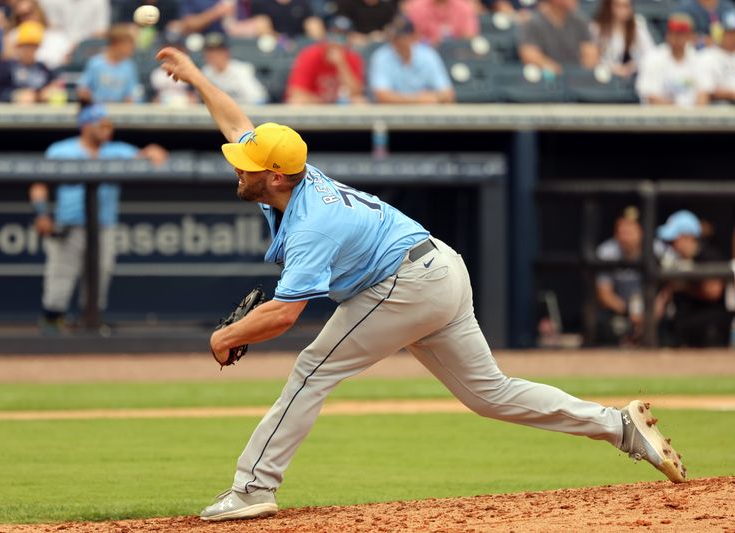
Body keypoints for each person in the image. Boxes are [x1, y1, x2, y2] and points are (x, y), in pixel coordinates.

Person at [154, 44, 688, 522]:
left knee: (312, 368)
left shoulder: (312, 223)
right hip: (437, 270)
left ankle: (252, 488)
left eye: (246, 166)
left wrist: (225, 336)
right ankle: (619, 426)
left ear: (273, 176)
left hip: (403, 284)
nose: (237, 169)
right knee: (490, 394)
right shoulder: (291, 172)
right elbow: (235, 121)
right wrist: (198, 77)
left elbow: (286, 313)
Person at [29, 104, 168, 332]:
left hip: (104, 226)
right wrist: (42, 213)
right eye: (101, 125)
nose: (107, 129)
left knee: (99, 278)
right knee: (60, 276)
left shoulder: (116, 150)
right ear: (86, 126)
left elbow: (153, 156)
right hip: (68, 225)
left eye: (109, 125)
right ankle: (52, 324)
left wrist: (152, 150)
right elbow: (39, 184)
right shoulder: (61, 150)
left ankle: (90, 323)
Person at [595, 207, 670, 345]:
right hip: (620, 310)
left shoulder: (658, 250)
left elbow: (670, 286)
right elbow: (604, 294)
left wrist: (654, 310)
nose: (624, 236)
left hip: (653, 311)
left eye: (629, 231)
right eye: (621, 231)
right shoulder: (606, 252)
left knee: (668, 327)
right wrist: (630, 313)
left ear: (641, 231)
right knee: (608, 327)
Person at [658, 210, 731, 347]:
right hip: (683, 323)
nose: (671, 245)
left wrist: (683, 287)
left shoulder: (710, 256)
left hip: (709, 325)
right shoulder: (675, 261)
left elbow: (713, 292)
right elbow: (666, 293)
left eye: (673, 240)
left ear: (688, 237)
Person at [368, 16, 455, 103]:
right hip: (392, 112)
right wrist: (416, 100)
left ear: (414, 37)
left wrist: (432, 97)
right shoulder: (381, 57)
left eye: (403, 37)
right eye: (395, 38)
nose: (398, 42)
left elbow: (447, 93)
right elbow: (381, 96)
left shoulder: (428, 55)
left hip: (424, 112)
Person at [0, 20, 59, 103]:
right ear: (18, 47)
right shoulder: (7, 67)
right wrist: (13, 96)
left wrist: (41, 94)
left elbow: (55, 85)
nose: (28, 51)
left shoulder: (43, 69)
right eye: (25, 46)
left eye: (32, 47)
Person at [286, 16, 366, 104]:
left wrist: (341, 64)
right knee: (297, 102)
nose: (337, 41)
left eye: (343, 37)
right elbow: (296, 91)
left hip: (341, 104)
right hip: (315, 103)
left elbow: (356, 92)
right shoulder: (309, 55)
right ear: (325, 36)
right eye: (333, 35)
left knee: (359, 102)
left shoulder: (353, 57)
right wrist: (323, 103)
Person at [636, 13, 709, 107]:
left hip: (691, 117)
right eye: (673, 32)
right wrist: (677, 112)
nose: (676, 37)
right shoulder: (653, 58)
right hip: (658, 117)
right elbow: (651, 97)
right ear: (668, 34)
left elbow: (703, 94)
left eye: (681, 34)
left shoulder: (698, 59)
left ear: (690, 36)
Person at [518, 0, 599, 74]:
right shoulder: (534, 22)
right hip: (545, 81)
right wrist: (556, 70)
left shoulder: (580, 22)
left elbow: (590, 54)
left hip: (577, 80)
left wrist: (580, 74)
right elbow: (529, 54)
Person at [77, 24, 141, 104]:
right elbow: (83, 88)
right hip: (97, 111)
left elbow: (134, 93)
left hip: (120, 111)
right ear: (116, 44)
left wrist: (131, 100)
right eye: (127, 44)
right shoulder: (95, 63)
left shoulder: (129, 66)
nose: (131, 48)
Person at [198, 32, 267, 105]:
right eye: (210, 52)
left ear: (226, 52)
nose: (214, 55)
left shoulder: (241, 70)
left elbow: (258, 98)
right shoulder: (206, 72)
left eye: (218, 51)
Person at [590, 0, 655, 78]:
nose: (623, 10)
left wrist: (633, 66)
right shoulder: (596, 29)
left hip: (632, 78)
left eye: (626, 6)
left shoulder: (638, 29)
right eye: (618, 6)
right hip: (604, 78)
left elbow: (651, 55)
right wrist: (612, 68)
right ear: (609, 6)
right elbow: (590, 59)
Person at [1, 0, 72, 70]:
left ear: (38, 11)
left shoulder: (56, 35)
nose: (27, 18)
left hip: (54, 74)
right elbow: (7, 62)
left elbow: (67, 59)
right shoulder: (13, 36)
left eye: (29, 13)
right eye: (22, 15)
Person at [38, 0, 110, 53]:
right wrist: (66, 47)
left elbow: (101, 31)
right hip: (59, 47)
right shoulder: (51, 2)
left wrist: (79, 46)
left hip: (88, 48)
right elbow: (53, 28)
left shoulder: (99, 2)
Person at [403, 0, 479, 45]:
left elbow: (470, 36)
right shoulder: (416, 7)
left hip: (457, 55)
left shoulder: (463, 7)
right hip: (426, 55)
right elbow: (410, 38)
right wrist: (429, 42)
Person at [698, 10, 735, 103]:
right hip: (718, 105)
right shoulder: (707, 56)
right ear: (720, 33)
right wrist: (730, 94)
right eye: (729, 33)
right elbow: (707, 90)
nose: (732, 37)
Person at [334, 0, 400, 45]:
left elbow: (391, 26)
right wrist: (350, 34)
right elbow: (341, 22)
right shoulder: (352, 4)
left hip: (378, 39)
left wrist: (383, 34)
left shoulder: (387, 7)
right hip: (357, 39)